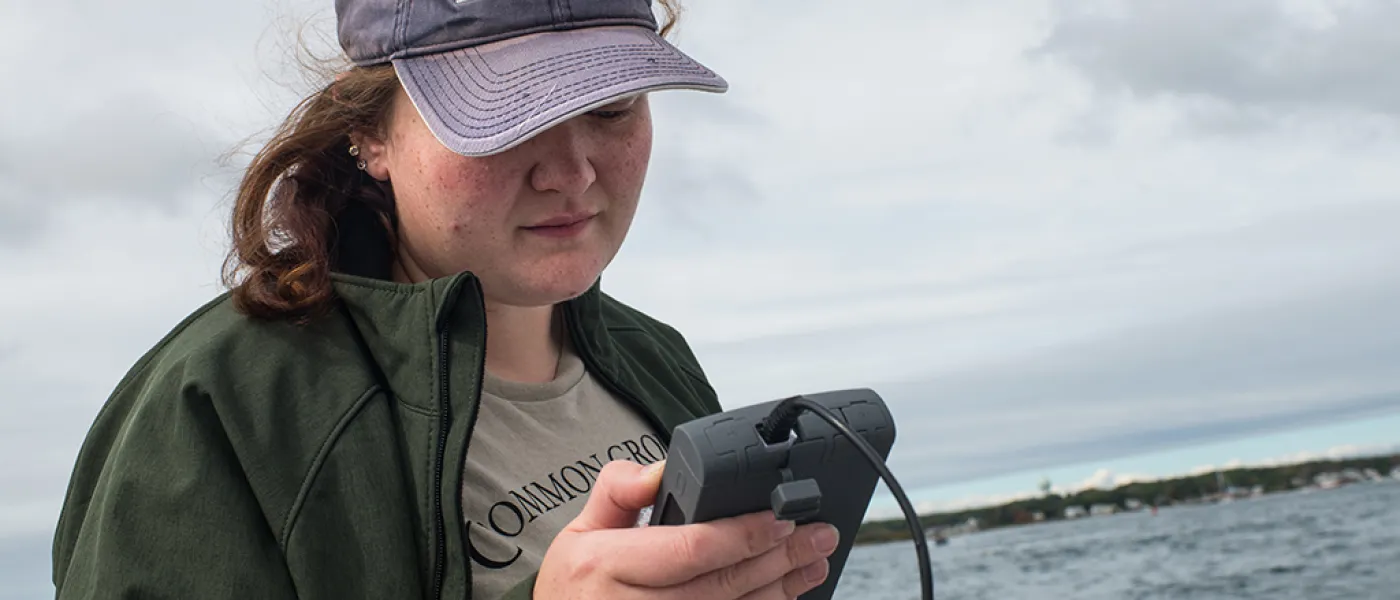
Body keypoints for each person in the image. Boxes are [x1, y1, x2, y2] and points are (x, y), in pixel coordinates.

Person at [50, 0, 840, 598]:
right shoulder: (220, 405)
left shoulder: (652, 356)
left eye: (609, 108)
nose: (570, 171)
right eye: (504, 118)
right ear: (370, 136)